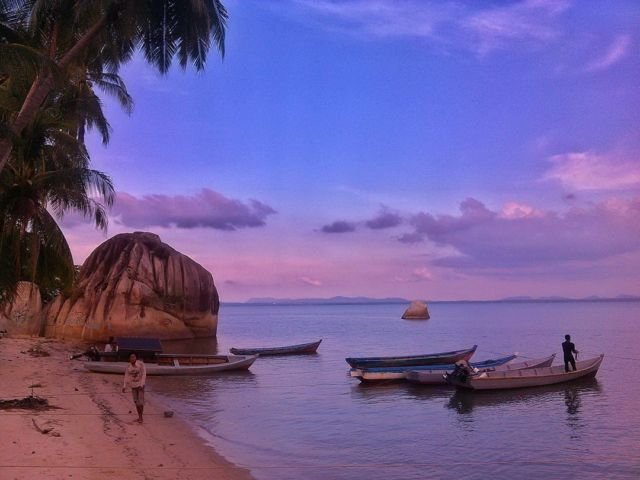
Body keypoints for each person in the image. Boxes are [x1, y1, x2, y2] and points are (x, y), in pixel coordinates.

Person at [122, 353, 146, 423]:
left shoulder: (141, 364)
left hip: (140, 385)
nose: (132, 358)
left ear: (136, 358)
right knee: (136, 402)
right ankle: (139, 417)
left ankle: (141, 418)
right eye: (131, 357)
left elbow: (144, 374)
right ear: (129, 359)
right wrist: (124, 386)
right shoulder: (128, 367)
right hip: (133, 386)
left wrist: (142, 385)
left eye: (133, 357)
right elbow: (126, 376)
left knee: (140, 403)